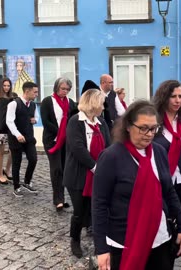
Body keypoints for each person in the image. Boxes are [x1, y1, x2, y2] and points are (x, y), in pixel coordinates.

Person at [93, 100, 181, 270]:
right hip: (124, 241)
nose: (149, 134)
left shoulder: (159, 152)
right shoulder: (111, 157)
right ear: (129, 126)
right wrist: (101, 249)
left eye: (154, 128)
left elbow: (168, 191)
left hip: (159, 238)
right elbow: (99, 204)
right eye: (143, 128)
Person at [63, 89, 111, 258]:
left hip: (99, 174)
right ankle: (74, 240)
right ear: (94, 103)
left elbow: (109, 145)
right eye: (102, 103)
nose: (104, 106)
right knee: (79, 211)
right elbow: (78, 148)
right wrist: (95, 167)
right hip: (78, 175)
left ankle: (101, 242)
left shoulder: (102, 122)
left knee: (98, 209)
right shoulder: (75, 121)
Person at [153, 80, 181, 210]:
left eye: (180, 96)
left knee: (179, 217)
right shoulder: (154, 120)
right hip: (158, 180)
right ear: (164, 97)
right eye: (173, 96)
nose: (177, 100)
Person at [40, 77, 78, 211]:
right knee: (57, 169)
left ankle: (62, 197)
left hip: (66, 140)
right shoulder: (47, 101)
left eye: (67, 89)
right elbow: (45, 121)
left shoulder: (71, 102)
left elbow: (74, 119)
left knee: (65, 168)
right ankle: (58, 200)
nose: (65, 92)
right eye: (63, 89)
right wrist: (60, 132)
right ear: (56, 87)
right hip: (52, 139)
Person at [6, 82, 39, 197]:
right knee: (17, 162)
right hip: (16, 138)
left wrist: (35, 120)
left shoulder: (33, 105)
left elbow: (36, 117)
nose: (36, 94)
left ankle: (27, 181)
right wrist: (17, 134)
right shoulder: (14, 104)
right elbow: (9, 121)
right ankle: (16, 186)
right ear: (27, 91)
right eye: (35, 92)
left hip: (29, 137)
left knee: (33, 159)